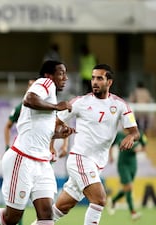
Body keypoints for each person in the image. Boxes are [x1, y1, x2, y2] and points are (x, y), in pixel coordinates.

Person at [0, 60, 75, 225]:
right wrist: (57, 106)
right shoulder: (45, 83)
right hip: (23, 159)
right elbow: (29, 99)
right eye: (61, 73)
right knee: (12, 217)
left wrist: (60, 134)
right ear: (49, 75)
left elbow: (42, 131)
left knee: (46, 215)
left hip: (42, 163)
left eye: (65, 73)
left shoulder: (49, 100)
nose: (65, 78)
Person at [49, 64, 140, 225]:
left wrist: (131, 137)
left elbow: (135, 131)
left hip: (97, 163)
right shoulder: (80, 102)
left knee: (62, 207)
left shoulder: (120, 105)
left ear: (109, 82)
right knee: (99, 199)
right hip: (80, 158)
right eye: (92, 78)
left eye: (99, 78)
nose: (94, 82)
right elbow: (55, 122)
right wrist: (53, 145)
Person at [107, 129, 147, 220]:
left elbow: (144, 147)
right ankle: (133, 212)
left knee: (127, 188)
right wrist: (111, 156)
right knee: (129, 187)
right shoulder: (119, 135)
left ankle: (113, 200)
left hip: (133, 165)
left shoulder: (138, 134)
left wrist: (138, 150)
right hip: (122, 164)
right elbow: (111, 145)